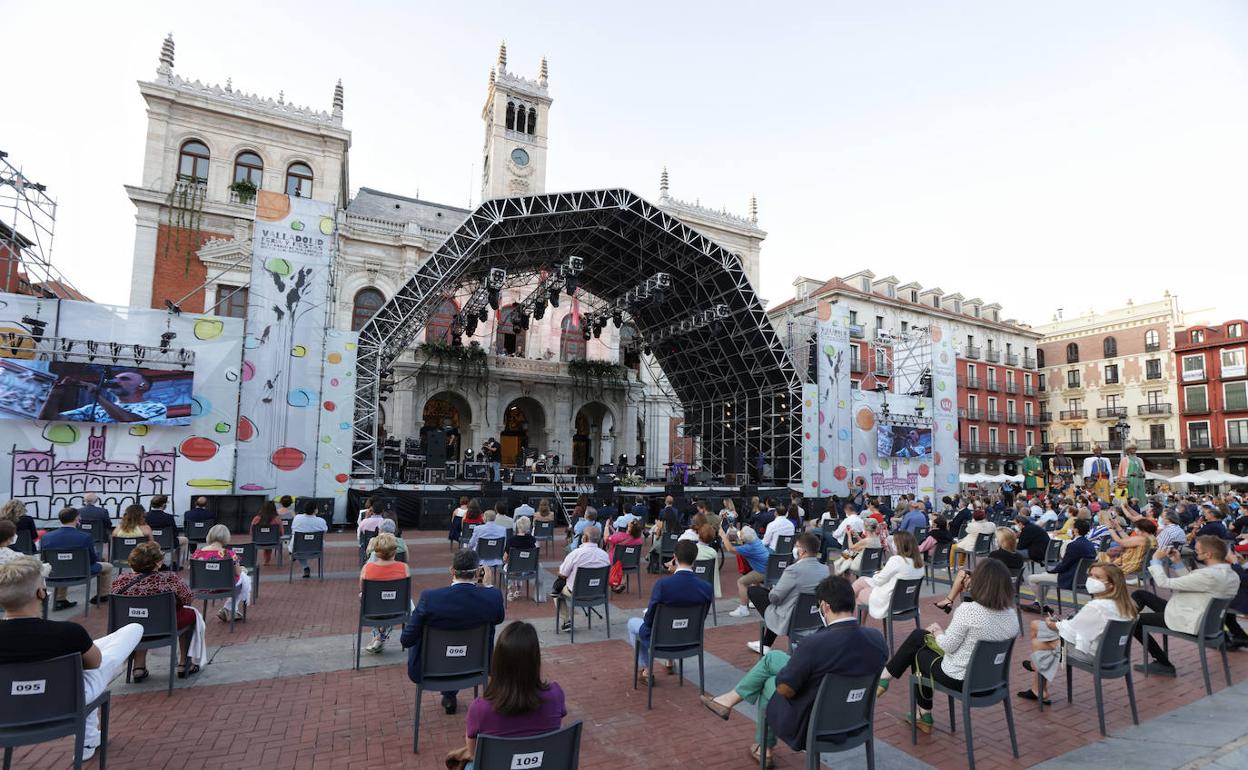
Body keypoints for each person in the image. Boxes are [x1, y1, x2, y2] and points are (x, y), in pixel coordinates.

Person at [699, 576, 888, 765]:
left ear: (825, 606)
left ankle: (763, 746)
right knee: (774, 658)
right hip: (855, 721)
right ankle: (732, 705)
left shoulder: (815, 644)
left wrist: (790, 674)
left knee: (768, 684)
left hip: (813, 723)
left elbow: (785, 690)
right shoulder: (877, 639)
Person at [0, 555, 144, 761]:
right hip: (65, 703)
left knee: (82, 664)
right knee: (130, 631)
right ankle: (88, 739)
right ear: (41, 593)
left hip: (8, 710)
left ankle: (90, 739)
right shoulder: (68, 632)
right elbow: (95, 664)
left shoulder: (69, 633)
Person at [877, 558, 1019, 733]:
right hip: (991, 682)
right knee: (919, 636)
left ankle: (914, 706)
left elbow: (947, 646)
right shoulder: (1012, 616)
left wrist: (937, 631)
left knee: (918, 652)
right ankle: (917, 710)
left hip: (960, 679)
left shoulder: (969, 611)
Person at [445, 621, 566, 769]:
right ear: (536, 660)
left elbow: (473, 752)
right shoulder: (556, 696)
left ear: (498, 662)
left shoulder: (480, 708)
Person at [401, 549, 505, 715]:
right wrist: (489, 586)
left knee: (421, 638)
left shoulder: (430, 599)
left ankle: (449, 695)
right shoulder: (492, 597)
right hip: (477, 665)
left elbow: (406, 640)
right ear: (479, 572)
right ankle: (450, 695)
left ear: (452, 571)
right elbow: (499, 618)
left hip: (430, 668)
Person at [1017, 563, 1136, 703]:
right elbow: (1082, 628)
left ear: (1111, 584)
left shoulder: (1097, 606)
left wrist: (1053, 624)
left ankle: (1036, 672)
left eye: (1097, 577)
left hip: (1093, 655)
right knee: (1037, 627)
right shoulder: (1127, 606)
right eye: (1090, 575)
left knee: (1040, 641)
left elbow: (1071, 631)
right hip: (1113, 655)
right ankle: (1038, 687)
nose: (1091, 579)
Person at [1132, 536, 1240, 675]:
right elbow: (1192, 582)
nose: (1195, 552)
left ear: (1208, 554)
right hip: (1200, 618)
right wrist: (1177, 562)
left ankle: (1162, 662)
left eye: (1198, 550)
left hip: (1190, 621)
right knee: (1141, 595)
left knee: (1133, 621)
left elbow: (1163, 583)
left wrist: (1155, 560)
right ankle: (1122, 623)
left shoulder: (1208, 575)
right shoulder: (1231, 574)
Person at [111, 541, 206, 678]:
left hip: (131, 626)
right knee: (191, 614)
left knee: (139, 618)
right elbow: (187, 598)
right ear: (157, 563)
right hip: (163, 625)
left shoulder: (121, 580)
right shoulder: (169, 578)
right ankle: (184, 664)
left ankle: (138, 667)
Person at [628, 540, 714, 684]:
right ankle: (669, 663)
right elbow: (702, 618)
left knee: (633, 623)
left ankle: (646, 670)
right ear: (695, 558)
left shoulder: (663, 584)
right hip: (690, 639)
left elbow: (649, 621)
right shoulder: (706, 587)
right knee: (672, 621)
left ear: (674, 557)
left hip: (660, 640)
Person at [748, 533, 829, 653]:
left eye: (797, 546)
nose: (795, 549)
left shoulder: (793, 570)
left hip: (792, 618)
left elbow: (775, 598)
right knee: (783, 601)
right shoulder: (825, 569)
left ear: (802, 551)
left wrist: (774, 589)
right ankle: (766, 644)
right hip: (814, 616)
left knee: (754, 591)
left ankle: (766, 643)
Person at [38, 506, 115, 610]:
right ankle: (103, 595)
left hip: (55, 572)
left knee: (62, 565)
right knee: (108, 567)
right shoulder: (85, 537)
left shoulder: (46, 537)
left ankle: (60, 599)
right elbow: (92, 560)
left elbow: (44, 559)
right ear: (77, 519)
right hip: (82, 571)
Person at [1025, 517, 1097, 612]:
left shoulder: (1074, 545)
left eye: (1072, 527)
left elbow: (1064, 565)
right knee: (1042, 577)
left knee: (1031, 579)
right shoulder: (1090, 545)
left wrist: (1052, 571)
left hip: (1069, 578)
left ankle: (1043, 604)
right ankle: (1040, 603)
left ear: (1076, 530)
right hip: (1081, 578)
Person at [47, 369, 167, 423]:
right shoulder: (92, 408)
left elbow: (127, 419)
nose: (115, 382)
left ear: (142, 386)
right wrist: (55, 392)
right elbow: (48, 420)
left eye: (124, 379)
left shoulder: (156, 407)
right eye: (115, 379)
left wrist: (96, 394)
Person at [552, 526, 610, 632]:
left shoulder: (575, 554)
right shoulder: (605, 555)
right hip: (599, 593)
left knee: (556, 591)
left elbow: (562, 574)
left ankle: (566, 621)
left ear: (585, 538)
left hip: (577, 593)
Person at [359, 532, 410, 654]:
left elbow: (363, 591)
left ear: (376, 551)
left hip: (373, 611)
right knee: (400, 601)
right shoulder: (404, 568)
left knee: (364, 597)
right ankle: (380, 636)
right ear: (394, 551)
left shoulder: (367, 568)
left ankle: (378, 636)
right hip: (397, 610)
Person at [856, 531, 925, 618]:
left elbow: (878, 581)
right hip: (908, 604)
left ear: (899, 545)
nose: (892, 544)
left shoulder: (896, 560)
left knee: (860, 593)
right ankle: (856, 623)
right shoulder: (919, 564)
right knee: (862, 581)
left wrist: (878, 574)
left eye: (894, 542)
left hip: (890, 603)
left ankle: (846, 617)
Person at [191, 525, 252, 622]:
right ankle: (229, 608)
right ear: (226, 537)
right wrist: (242, 570)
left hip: (203, 586)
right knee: (244, 578)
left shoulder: (197, 553)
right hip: (225, 586)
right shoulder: (229, 554)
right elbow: (237, 572)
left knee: (242, 578)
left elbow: (192, 569)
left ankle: (230, 609)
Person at [723, 525, 771, 618]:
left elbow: (730, 549)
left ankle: (743, 609)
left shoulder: (749, 548)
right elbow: (743, 537)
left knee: (741, 582)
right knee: (753, 580)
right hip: (768, 568)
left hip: (762, 571)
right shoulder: (755, 538)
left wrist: (723, 536)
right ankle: (756, 600)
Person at [144, 495, 188, 569]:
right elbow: (175, 533)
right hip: (168, 543)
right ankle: (174, 563)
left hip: (150, 542)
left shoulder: (145, 516)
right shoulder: (169, 517)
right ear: (164, 505)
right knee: (185, 540)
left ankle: (159, 564)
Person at [290, 499, 329, 578]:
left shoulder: (297, 518)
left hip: (298, 547)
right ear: (315, 510)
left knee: (295, 548)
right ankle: (305, 567)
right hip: (316, 548)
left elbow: (293, 529)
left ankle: (305, 567)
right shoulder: (321, 521)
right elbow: (324, 534)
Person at [469, 510, 508, 584]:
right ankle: (483, 573)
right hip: (496, 557)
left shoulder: (478, 528)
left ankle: (478, 576)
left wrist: (469, 548)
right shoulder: (503, 529)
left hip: (480, 557)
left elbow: (471, 543)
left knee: (470, 552)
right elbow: (504, 544)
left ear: (485, 518)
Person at [606, 519, 644, 594]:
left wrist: (607, 527)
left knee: (610, 557)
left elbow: (606, 539)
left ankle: (617, 582)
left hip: (616, 562)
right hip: (631, 563)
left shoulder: (620, 535)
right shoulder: (639, 541)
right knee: (624, 557)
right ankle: (621, 581)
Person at [250, 501, 284, 566]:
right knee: (269, 539)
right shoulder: (277, 519)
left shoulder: (256, 519)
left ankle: (265, 560)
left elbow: (251, 532)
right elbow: (282, 533)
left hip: (258, 541)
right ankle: (267, 560)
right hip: (273, 541)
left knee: (265, 538)